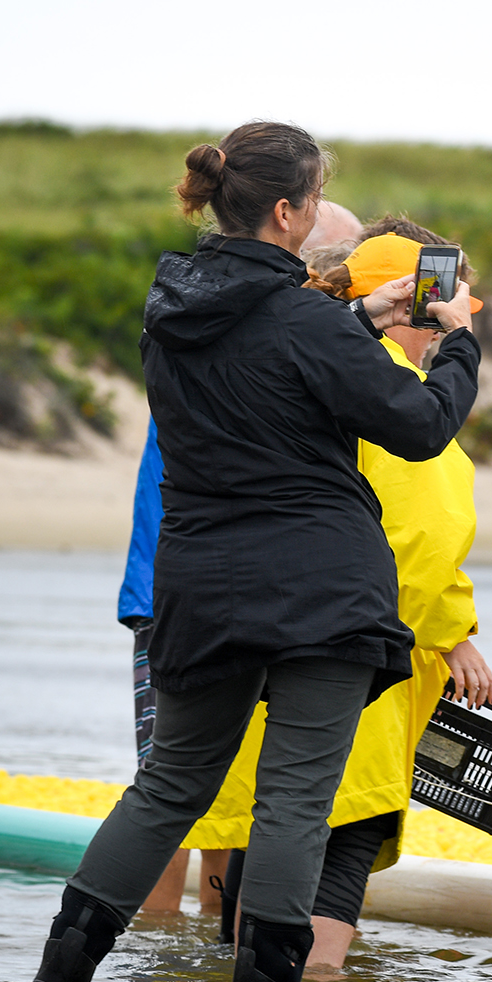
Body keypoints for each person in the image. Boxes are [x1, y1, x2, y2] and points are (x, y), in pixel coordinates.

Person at [26, 121, 480, 982]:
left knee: (167, 789)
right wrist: (458, 338)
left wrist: (361, 316)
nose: (316, 216)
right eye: (313, 202)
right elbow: (422, 426)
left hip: (200, 583)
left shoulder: (172, 315)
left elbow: (263, 352)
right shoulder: (305, 322)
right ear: (285, 210)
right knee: (295, 803)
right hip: (321, 591)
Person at [189, 219, 492, 971]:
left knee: (260, 856)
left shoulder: (294, 368)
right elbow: (421, 546)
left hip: (257, 647)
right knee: (332, 868)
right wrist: (452, 627)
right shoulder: (392, 395)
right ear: (423, 313)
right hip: (358, 674)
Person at [121, 201, 364, 918]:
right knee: (174, 786)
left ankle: (206, 954)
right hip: (190, 588)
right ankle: (159, 974)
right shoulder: (262, 335)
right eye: (339, 268)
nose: (344, 284)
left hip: (215, 580)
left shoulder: (211, 319)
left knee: (219, 793)